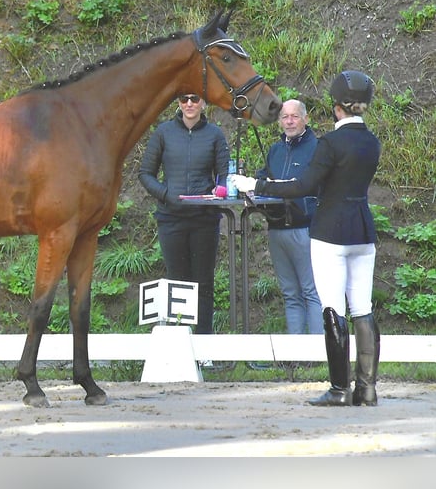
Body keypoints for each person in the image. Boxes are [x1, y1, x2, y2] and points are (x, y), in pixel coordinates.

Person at [232, 71, 381, 406]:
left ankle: (340, 389)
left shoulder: (330, 143)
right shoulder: (371, 142)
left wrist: (256, 185)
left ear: (336, 107)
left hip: (330, 231)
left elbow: (303, 186)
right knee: (362, 308)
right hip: (363, 230)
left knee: (332, 307)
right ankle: (367, 388)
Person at [139, 93, 230, 336]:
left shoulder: (215, 135)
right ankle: (178, 341)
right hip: (171, 218)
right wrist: (166, 195)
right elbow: (146, 173)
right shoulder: (163, 132)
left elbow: (223, 175)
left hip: (204, 219)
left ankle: (204, 344)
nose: (189, 104)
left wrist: (218, 190)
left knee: (203, 283)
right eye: (183, 99)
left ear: (203, 103)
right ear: (178, 103)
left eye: (194, 99)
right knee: (176, 281)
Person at [256, 99, 323, 336]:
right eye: (285, 117)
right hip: (276, 228)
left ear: (305, 118)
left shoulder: (317, 147)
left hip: (305, 228)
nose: (289, 121)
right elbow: (261, 179)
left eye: (295, 116)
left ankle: (316, 355)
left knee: (311, 291)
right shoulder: (275, 150)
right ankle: (295, 356)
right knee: (290, 293)